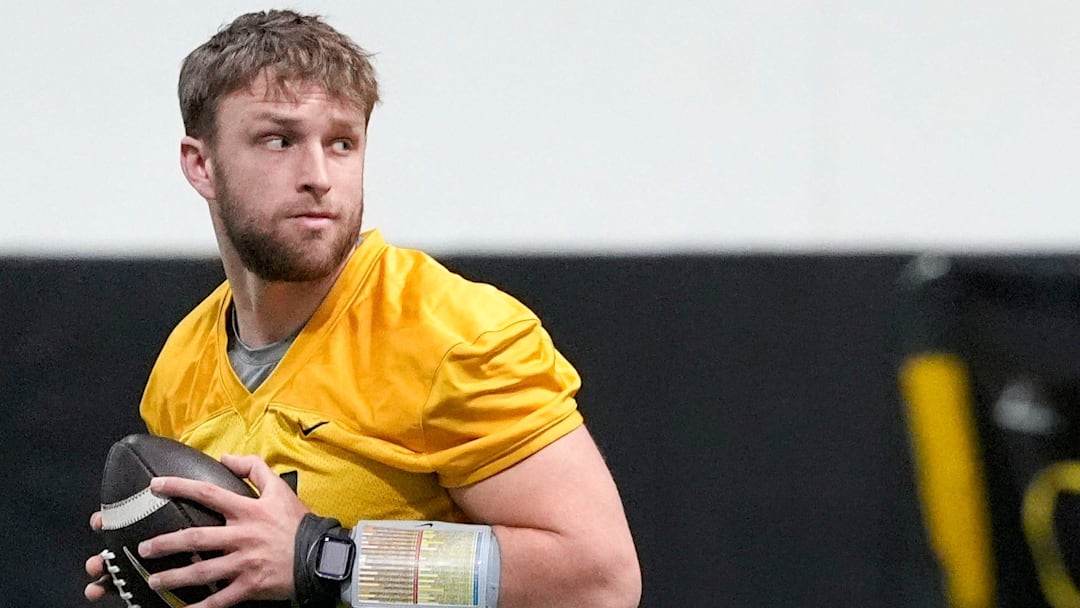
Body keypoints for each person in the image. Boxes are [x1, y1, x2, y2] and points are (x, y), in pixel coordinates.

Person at [83, 9, 641, 608]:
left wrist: (329, 557)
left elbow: (600, 578)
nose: (319, 176)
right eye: (280, 140)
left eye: (342, 143)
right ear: (201, 164)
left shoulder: (453, 333)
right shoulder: (181, 364)